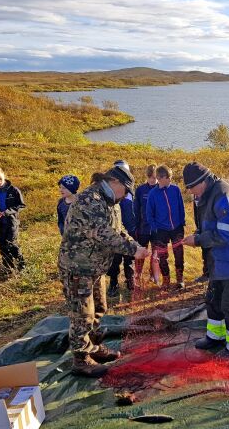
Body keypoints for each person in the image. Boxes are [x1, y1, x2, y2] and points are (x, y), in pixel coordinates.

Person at [58, 165, 149, 377]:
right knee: (82, 314)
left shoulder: (111, 202)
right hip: (78, 266)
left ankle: (94, 347)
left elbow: (118, 231)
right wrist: (133, 250)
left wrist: (135, 244)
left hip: (95, 267)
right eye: (125, 190)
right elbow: (104, 234)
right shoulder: (91, 201)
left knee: (99, 307)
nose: (125, 195)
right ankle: (80, 360)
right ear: (114, 182)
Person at [182, 162, 229, 358]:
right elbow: (209, 225)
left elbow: (227, 234)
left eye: (191, 188)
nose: (191, 193)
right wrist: (198, 234)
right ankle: (215, 336)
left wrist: (197, 240)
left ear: (202, 182)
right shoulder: (205, 195)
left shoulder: (224, 194)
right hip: (219, 261)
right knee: (213, 301)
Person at [146, 165, 186, 289]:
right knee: (162, 256)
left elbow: (181, 206)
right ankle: (166, 280)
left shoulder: (175, 189)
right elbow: (149, 212)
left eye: (170, 177)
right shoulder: (153, 193)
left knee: (179, 255)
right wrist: (154, 227)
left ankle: (180, 279)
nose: (169, 180)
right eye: (166, 178)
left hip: (176, 228)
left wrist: (182, 221)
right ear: (159, 178)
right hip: (161, 230)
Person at [107, 160, 137, 296]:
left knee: (129, 258)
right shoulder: (109, 196)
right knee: (115, 260)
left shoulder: (131, 191)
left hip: (129, 229)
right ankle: (113, 282)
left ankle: (130, 280)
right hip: (115, 233)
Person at [0, 167, 26, 272]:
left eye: (0, 178)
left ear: (4, 175)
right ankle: (8, 268)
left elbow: (22, 205)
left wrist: (7, 211)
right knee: (2, 246)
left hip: (12, 222)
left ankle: (21, 266)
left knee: (12, 243)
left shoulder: (14, 190)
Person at [133, 164, 158, 283]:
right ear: (147, 177)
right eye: (151, 177)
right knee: (141, 252)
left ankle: (153, 275)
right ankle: (137, 274)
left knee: (155, 253)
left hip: (156, 228)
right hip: (143, 227)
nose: (153, 180)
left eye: (155, 177)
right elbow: (136, 209)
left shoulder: (160, 189)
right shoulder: (140, 190)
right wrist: (136, 225)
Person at [193, 196, 211, 283]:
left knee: (211, 253)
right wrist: (198, 228)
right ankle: (206, 273)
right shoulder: (196, 196)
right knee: (205, 252)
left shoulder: (211, 196)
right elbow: (197, 214)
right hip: (202, 228)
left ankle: (211, 276)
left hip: (210, 229)